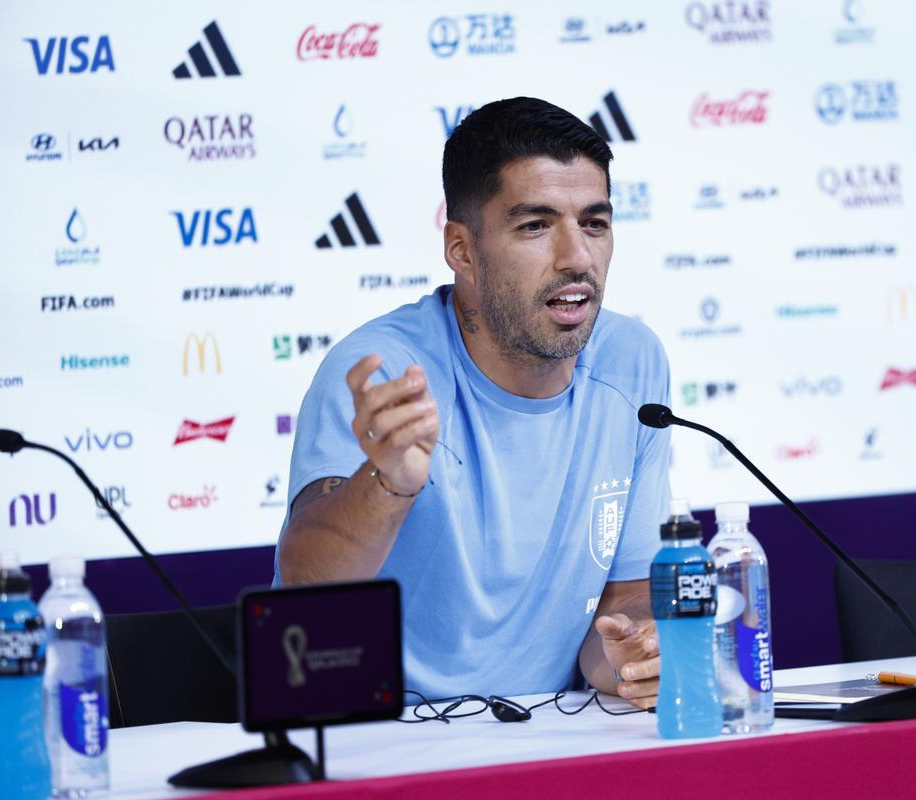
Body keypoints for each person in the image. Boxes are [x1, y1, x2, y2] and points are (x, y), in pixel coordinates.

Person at [275, 97, 672, 708]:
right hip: (387, 732)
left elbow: (622, 604)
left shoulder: (632, 361)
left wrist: (631, 654)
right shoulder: (386, 372)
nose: (577, 257)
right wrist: (388, 485)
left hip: (548, 732)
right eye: (535, 226)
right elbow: (305, 593)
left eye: (594, 223)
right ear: (460, 250)